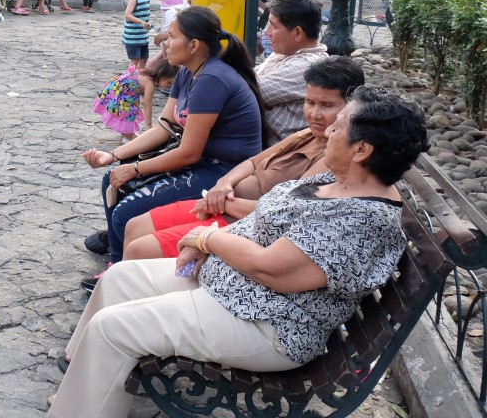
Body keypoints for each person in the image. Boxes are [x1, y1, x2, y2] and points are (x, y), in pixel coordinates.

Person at [49, 86, 429, 418]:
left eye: (338, 126)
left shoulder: (362, 219)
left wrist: (207, 240)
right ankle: (83, 381)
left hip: (268, 324)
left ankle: (79, 407)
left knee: (113, 327)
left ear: (362, 149)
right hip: (236, 291)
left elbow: (273, 269)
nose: (327, 131)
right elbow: (266, 221)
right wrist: (210, 243)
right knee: (119, 278)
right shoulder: (339, 179)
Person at [123, 56, 364, 261]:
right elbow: (253, 162)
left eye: (326, 105)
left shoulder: (332, 157)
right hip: (223, 204)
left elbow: (283, 212)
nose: (314, 113)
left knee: (140, 249)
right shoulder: (307, 134)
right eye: (310, 102)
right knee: (135, 226)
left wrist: (222, 203)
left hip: (245, 224)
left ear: (350, 108)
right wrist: (224, 184)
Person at [81, 6, 264, 261]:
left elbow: (188, 153)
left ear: (194, 45)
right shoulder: (188, 72)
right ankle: (117, 256)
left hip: (223, 172)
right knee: (111, 179)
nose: (165, 43)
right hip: (201, 163)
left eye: (172, 36)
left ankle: (120, 268)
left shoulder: (212, 79)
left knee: (126, 211)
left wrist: (135, 169)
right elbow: (164, 128)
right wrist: (113, 156)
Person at [256, 0, 329, 143]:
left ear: (297, 33)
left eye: (273, 26)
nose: (267, 32)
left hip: (281, 153)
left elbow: (243, 91)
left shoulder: (308, 66)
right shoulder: (284, 54)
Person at [94, 62, 178, 143]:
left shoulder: (146, 73)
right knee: (129, 112)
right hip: (120, 92)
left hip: (118, 88)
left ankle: (127, 132)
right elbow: (147, 105)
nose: (169, 86)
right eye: (169, 82)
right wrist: (149, 126)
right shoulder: (150, 84)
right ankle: (128, 138)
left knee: (131, 108)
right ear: (161, 76)